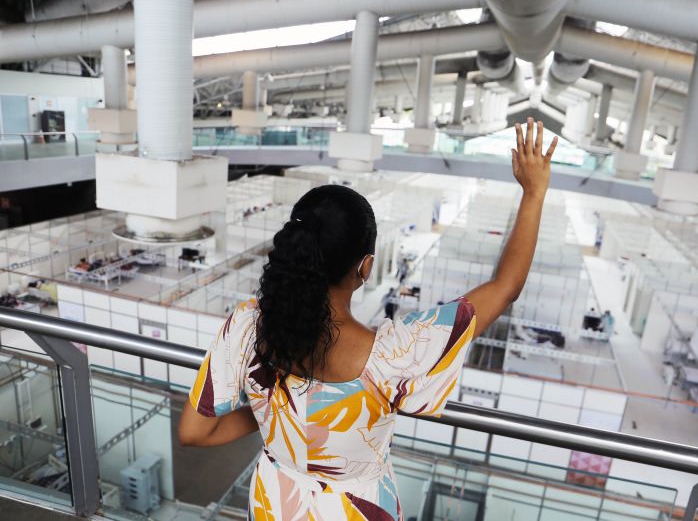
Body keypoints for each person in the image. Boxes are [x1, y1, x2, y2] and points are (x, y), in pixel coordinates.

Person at [178, 118, 557, 520]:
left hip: (275, 505)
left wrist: (279, 416)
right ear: (366, 267)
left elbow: (193, 432)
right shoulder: (396, 353)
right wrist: (533, 192)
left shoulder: (247, 326)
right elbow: (506, 285)